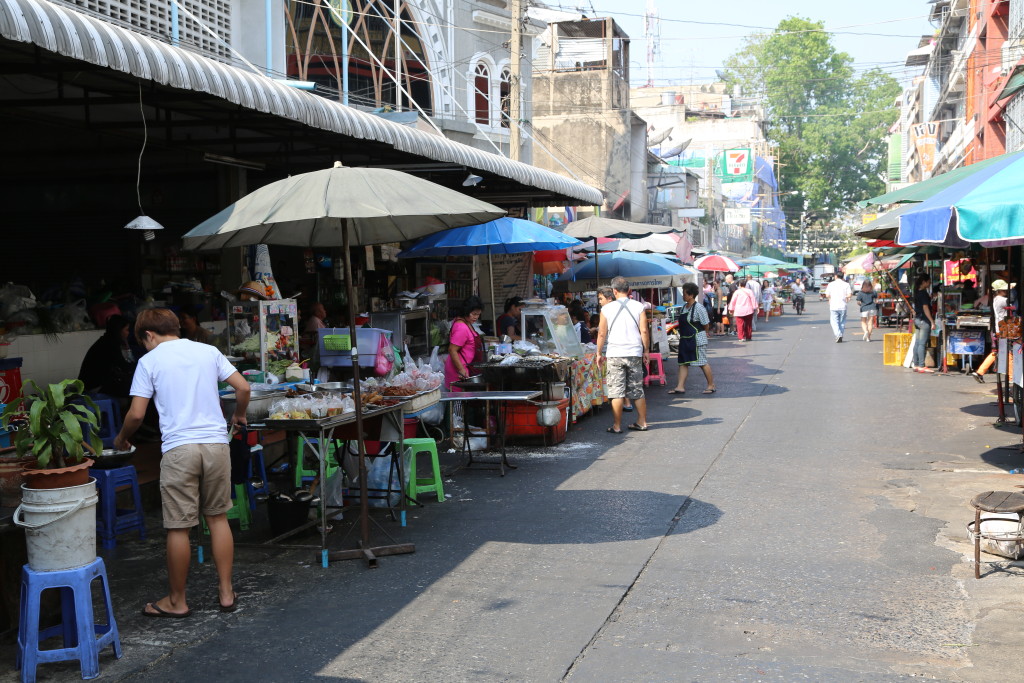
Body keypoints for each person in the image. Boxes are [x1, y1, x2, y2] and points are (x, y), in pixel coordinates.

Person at [114, 308, 250, 617]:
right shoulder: (208, 351)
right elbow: (242, 387)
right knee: (217, 518)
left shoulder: (149, 361)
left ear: (148, 335)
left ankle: (177, 601)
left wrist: (122, 438)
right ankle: (226, 592)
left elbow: (136, 414)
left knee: (179, 528)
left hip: (179, 449)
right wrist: (239, 415)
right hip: (216, 445)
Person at [596, 276, 650, 433]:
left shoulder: (606, 309)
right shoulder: (639, 306)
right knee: (636, 389)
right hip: (634, 353)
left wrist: (599, 353)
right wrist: (646, 350)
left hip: (615, 354)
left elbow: (601, 334)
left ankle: (617, 426)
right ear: (629, 290)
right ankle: (642, 422)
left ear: (614, 291)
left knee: (616, 391)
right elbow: (644, 331)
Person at [669, 282, 715, 395]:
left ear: (691, 295)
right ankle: (680, 386)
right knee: (683, 363)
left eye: (684, 294)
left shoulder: (699, 307)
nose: (683, 296)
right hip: (685, 339)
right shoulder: (684, 307)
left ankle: (711, 385)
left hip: (697, 339)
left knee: (702, 362)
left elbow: (706, 324)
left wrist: (702, 333)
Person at [79, 314, 137, 399]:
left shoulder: (106, 341)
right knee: (134, 390)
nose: (128, 333)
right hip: (94, 387)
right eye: (126, 330)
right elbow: (124, 366)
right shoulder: (109, 344)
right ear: (119, 330)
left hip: (93, 384)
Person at [971, 280, 1011, 382]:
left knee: (996, 352)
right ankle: (1012, 377)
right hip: (1003, 329)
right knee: (1009, 352)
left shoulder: (995, 299)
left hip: (997, 329)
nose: (1006, 290)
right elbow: (1015, 307)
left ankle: (980, 371)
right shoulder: (1003, 300)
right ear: (998, 290)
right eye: (1003, 289)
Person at [444, 296, 484, 390]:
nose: (476, 317)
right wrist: (461, 369)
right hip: (458, 372)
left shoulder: (467, 322)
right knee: (458, 401)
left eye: (478, 314)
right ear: (466, 311)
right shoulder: (461, 327)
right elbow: (452, 349)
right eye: (474, 314)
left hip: (467, 368)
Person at [911, 273, 935, 373]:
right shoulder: (923, 294)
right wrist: (932, 321)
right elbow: (925, 308)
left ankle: (915, 364)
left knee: (917, 342)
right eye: (929, 282)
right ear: (924, 282)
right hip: (923, 320)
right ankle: (921, 365)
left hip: (917, 319)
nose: (930, 284)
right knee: (922, 343)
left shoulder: (917, 292)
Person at [825, 272, 854, 342]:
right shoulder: (846, 284)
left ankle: (838, 335)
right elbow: (850, 294)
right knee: (842, 322)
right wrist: (845, 297)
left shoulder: (831, 284)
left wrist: (831, 297)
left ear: (836, 276)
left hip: (833, 306)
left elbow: (827, 295)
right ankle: (840, 335)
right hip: (843, 306)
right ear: (842, 277)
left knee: (834, 322)